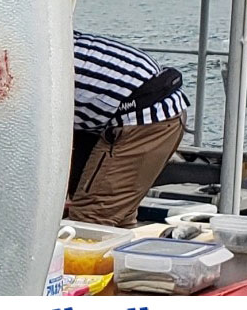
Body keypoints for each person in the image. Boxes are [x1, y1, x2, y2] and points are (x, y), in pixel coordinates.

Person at [65, 31, 190, 228]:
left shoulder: (31, 64)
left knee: (92, 218)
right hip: (156, 105)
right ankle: (122, 255)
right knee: (117, 216)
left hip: (145, 116)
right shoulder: (52, 39)